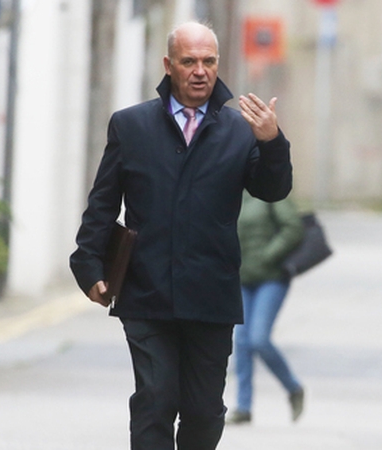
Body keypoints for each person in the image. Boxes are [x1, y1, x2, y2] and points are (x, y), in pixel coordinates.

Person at [69, 21, 292, 450]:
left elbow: (272, 189)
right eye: (189, 61)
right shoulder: (130, 126)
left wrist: (272, 143)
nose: (200, 71)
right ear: (169, 65)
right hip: (146, 293)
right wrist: (88, 263)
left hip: (212, 296)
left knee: (204, 413)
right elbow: (102, 203)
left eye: (209, 61)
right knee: (154, 402)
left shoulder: (239, 129)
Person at [226, 196, 305, 425]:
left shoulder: (270, 191)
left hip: (271, 277)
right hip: (241, 278)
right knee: (241, 341)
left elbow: (293, 228)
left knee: (258, 339)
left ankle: (293, 387)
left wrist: (268, 255)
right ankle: (243, 407)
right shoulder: (231, 190)